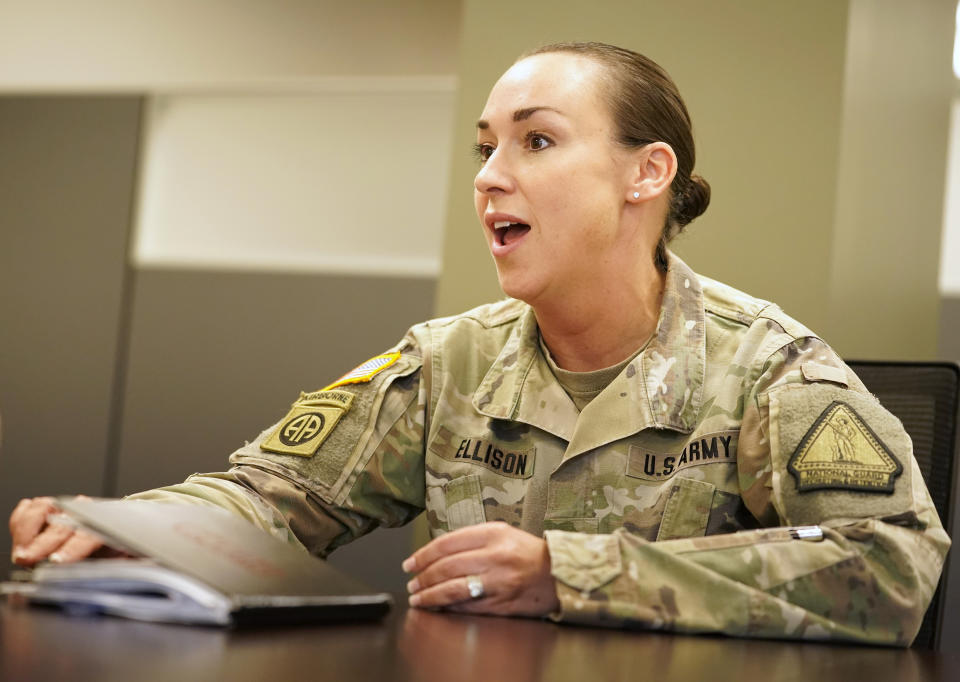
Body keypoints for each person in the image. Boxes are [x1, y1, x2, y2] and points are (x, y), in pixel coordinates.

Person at [9, 42, 950, 645]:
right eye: (484, 148)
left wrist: (570, 574)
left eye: (536, 143)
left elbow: (895, 566)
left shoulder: (767, 370)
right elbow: (269, 496)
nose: (491, 177)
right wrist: (125, 526)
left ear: (647, 174)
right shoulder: (449, 362)